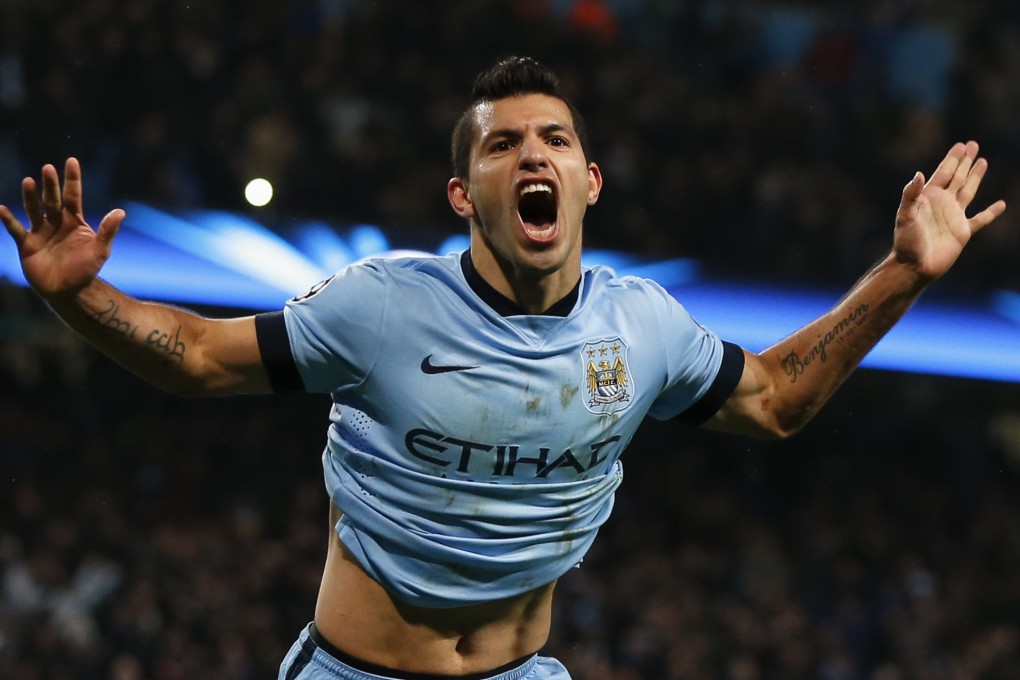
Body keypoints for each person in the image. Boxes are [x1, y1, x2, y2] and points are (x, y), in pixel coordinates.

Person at [0, 56, 1006, 680]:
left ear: (587, 181)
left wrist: (906, 272)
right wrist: (79, 297)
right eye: (504, 144)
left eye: (556, 139)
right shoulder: (383, 304)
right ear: (462, 192)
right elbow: (202, 359)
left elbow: (779, 400)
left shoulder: (642, 328)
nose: (534, 154)